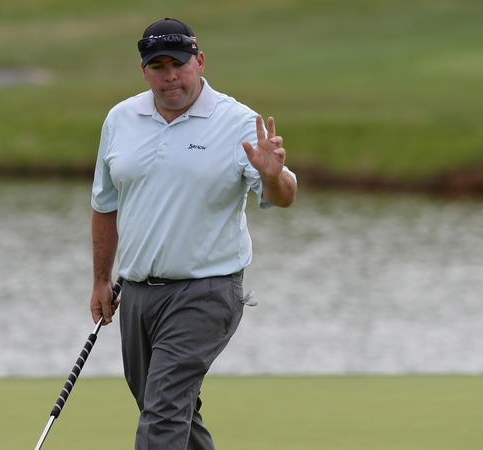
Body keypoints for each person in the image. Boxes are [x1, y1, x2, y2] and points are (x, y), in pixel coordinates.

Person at [89, 17, 297, 450]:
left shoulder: (238, 122)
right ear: (144, 70)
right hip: (138, 294)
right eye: (158, 66)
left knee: (162, 411)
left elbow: (284, 195)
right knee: (165, 406)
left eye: (179, 64)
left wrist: (274, 176)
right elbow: (104, 205)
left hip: (207, 291)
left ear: (200, 62)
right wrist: (100, 280)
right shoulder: (121, 118)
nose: (170, 76)